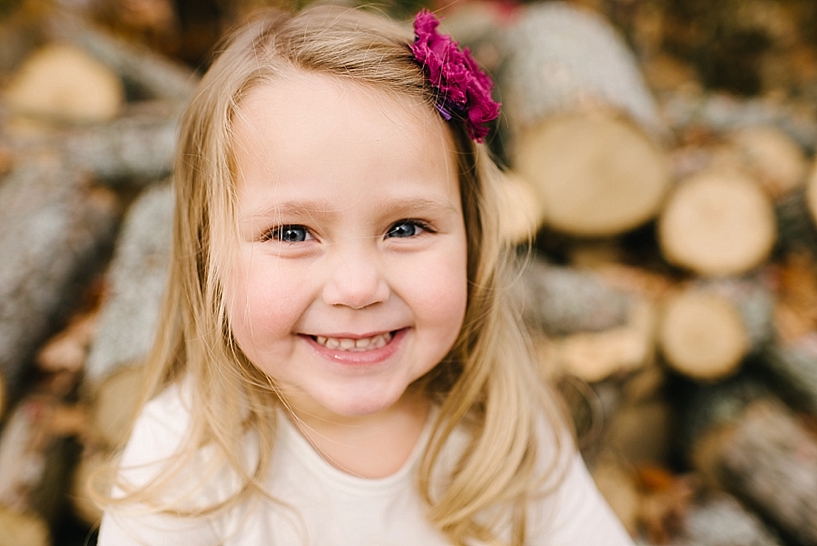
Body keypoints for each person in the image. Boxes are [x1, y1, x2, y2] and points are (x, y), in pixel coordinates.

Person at [95, 5, 635, 545]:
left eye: (405, 228)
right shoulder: (184, 460)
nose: (357, 289)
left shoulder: (508, 438)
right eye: (292, 234)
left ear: (473, 237)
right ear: (207, 254)